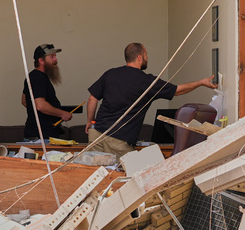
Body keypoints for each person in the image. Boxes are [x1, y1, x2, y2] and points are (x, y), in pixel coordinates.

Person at [85, 42, 215, 155]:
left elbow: (92, 99)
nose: (147, 58)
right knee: (117, 177)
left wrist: (90, 122)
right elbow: (177, 90)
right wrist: (201, 83)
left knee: (92, 174)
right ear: (140, 57)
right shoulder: (147, 81)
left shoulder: (110, 74)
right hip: (119, 139)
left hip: (96, 134)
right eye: (146, 54)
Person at [22, 44, 79, 141]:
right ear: (41, 61)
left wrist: (43, 112)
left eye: (55, 56)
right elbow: (40, 106)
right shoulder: (38, 78)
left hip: (40, 136)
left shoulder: (34, 76)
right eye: (52, 57)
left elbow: (24, 101)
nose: (56, 60)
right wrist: (62, 114)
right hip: (41, 138)